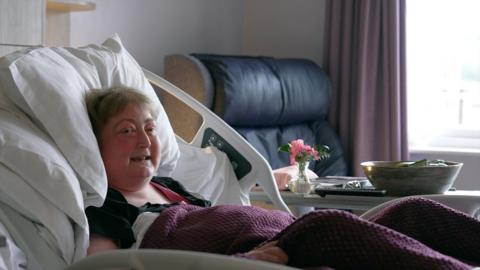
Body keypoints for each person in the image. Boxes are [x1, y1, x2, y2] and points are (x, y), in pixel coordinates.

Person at [85, 87, 480, 269]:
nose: (144, 139)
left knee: (411, 211)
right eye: (126, 130)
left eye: (151, 128)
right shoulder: (106, 208)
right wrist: (241, 264)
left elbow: (224, 220)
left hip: (289, 234)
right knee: (331, 226)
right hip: (279, 247)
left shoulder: (174, 190)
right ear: (96, 147)